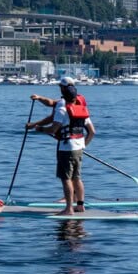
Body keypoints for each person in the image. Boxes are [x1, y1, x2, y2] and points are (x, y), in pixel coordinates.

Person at [26, 76, 95, 215]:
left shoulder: (62, 108)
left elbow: (53, 128)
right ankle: (80, 206)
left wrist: (38, 128)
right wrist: (83, 146)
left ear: (64, 90)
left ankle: (69, 208)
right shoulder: (80, 104)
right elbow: (92, 131)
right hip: (79, 147)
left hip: (66, 148)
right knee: (77, 178)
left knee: (66, 178)